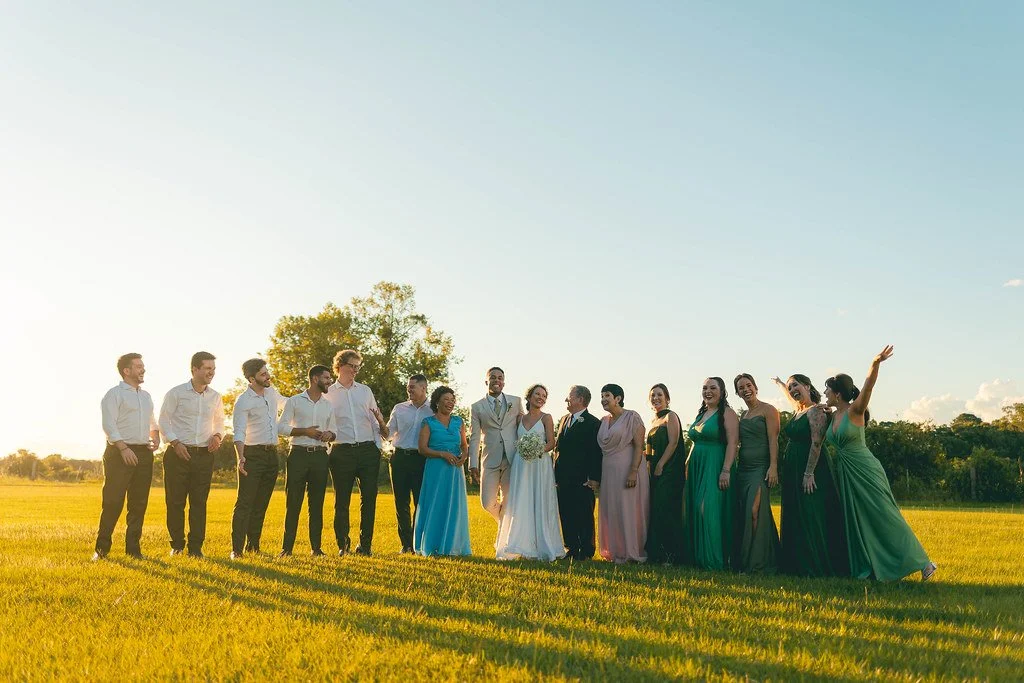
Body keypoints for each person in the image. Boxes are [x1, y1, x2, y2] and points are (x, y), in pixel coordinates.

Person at [824, 346, 937, 581]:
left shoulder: (855, 410)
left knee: (884, 515)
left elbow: (868, 387)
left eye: (827, 390)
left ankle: (924, 562)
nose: (824, 393)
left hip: (865, 469)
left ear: (837, 393)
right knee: (857, 520)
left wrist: (875, 363)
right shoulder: (831, 415)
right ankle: (869, 567)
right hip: (845, 472)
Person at [771, 373, 848, 577]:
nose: (793, 390)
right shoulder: (799, 410)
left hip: (811, 468)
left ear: (807, 385)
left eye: (796, 385)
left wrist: (809, 473)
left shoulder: (816, 411)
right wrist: (781, 385)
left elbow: (817, 442)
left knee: (811, 512)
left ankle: (814, 564)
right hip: (793, 468)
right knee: (796, 511)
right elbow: (791, 396)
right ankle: (795, 564)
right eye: (790, 387)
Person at [158, 351, 224, 559]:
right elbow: (164, 420)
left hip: (204, 456)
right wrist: (175, 443)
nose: (211, 373)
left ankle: (195, 548)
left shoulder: (215, 397)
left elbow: (220, 421)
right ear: (194, 369)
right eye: (207, 368)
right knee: (175, 502)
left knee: (199, 503)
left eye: (213, 369)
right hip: (178, 454)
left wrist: (217, 436)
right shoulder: (176, 393)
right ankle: (177, 545)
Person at [93, 353, 159, 560]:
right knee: (113, 502)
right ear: (126, 371)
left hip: (143, 453)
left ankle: (134, 550)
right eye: (138, 366)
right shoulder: (114, 394)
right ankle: (101, 550)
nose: (143, 369)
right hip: (119, 453)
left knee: (139, 503)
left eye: (143, 366)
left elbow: (151, 421)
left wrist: (155, 437)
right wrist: (123, 448)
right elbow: (108, 425)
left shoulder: (146, 396)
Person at [326, 349, 389, 556]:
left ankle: (365, 546)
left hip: (367, 451)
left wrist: (377, 447)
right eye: (352, 366)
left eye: (357, 367)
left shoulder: (365, 391)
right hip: (341, 451)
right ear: (339, 366)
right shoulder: (328, 393)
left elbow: (375, 420)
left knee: (369, 498)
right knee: (341, 501)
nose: (355, 370)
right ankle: (343, 546)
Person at [496, 384, 566, 561]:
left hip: (539, 463)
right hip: (521, 464)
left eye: (543, 395)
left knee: (539, 499)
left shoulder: (546, 418)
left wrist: (537, 450)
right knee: (521, 499)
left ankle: (543, 544)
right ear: (529, 397)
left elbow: (551, 442)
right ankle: (520, 543)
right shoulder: (519, 419)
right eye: (537, 394)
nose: (540, 398)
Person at [277, 365, 337, 558]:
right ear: (314, 378)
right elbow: (281, 428)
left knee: (317, 504)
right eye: (327, 378)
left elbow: (334, 431)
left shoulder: (328, 405)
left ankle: (316, 549)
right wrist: (305, 431)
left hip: (320, 456)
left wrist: (329, 434)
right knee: (293, 502)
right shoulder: (295, 401)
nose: (330, 381)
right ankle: (286, 549)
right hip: (298, 456)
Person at [230, 358, 283, 559]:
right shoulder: (243, 401)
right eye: (263, 373)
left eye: (266, 371)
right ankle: (237, 550)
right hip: (252, 455)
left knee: (261, 503)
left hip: (272, 455)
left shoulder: (271, 393)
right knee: (245, 503)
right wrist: (241, 457)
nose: (267, 375)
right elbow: (239, 432)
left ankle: (254, 546)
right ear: (252, 378)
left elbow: (288, 402)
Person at [685, 377, 739, 570]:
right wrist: (688, 462)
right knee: (695, 509)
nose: (708, 391)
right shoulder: (702, 414)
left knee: (707, 508)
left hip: (715, 463)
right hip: (697, 466)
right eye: (705, 388)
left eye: (713, 388)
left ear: (722, 391)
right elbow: (694, 441)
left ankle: (714, 560)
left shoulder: (728, 413)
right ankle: (698, 557)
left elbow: (733, 443)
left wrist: (725, 470)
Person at [414, 386, 471, 556]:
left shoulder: (458, 422)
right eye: (446, 399)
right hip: (436, 470)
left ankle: (453, 545)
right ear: (437, 402)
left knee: (453, 505)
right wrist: (441, 454)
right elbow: (422, 449)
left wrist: (465, 456)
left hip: (454, 471)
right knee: (435, 504)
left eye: (452, 400)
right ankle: (432, 544)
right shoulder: (428, 422)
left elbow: (463, 445)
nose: (450, 402)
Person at [732, 374, 781, 573]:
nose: (746, 389)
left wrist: (773, 466)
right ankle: (745, 560)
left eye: (748, 385)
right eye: (741, 388)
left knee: (755, 512)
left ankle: (758, 562)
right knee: (746, 514)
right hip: (743, 469)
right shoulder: (742, 415)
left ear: (755, 386)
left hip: (761, 468)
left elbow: (773, 440)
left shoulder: (769, 410)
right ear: (737, 393)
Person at [596, 384, 649, 563]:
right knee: (612, 509)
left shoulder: (632, 417)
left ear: (618, 398)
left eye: (607, 395)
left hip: (628, 470)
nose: (603, 399)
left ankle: (632, 550)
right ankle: (614, 549)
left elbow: (639, 446)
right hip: (609, 472)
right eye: (602, 396)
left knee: (628, 509)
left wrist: (633, 471)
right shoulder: (603, 420)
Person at [468, 367, 524, 524]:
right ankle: (502, 523)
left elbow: (523, 426)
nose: (497, 380)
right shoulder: (476, 407)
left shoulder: (516, 401)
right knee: (487, 503)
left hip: (512, 458)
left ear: (504, 383)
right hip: (490, 459)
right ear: (486, 381)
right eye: (493, 377)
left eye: (500, 378)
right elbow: (475, 437)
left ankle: (503, 540)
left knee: (509, 501)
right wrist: (473, 464)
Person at [553, 385, 602, 561]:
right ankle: (571, 547)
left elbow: (596, 453)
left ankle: (586, 551)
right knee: (565, 513)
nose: (566, 399)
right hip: (563, 477)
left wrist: (594, 478)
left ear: (580, 399)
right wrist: (555, 474)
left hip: (583, 478)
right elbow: (559, 449)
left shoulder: (594, 422)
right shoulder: (564, 419)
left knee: (584, 514)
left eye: (569, 396)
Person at [385, 374, 433, 553]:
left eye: (412, 387)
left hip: (422, 460)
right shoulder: (399, 408)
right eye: (408, 386)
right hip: (399, 459)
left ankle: (417, 542)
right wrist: (380, 424)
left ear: (423, 388)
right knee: (401, 502)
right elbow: (388, 434)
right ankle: (405, 545)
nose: (409, 390)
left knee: (421, 502)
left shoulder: (433, 410)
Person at [645, 383, 688, 565]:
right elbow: (648, 450)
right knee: (656, 511)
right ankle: (657, 553)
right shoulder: (653, 421)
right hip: (654, 471)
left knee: (667, 511)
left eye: (659, 395)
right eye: (653, 395)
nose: (656, 398)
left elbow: (674, 442)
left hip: (669, 471)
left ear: (667, 399)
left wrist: (661, 464)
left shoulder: (671, 416)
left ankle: (672, 555)